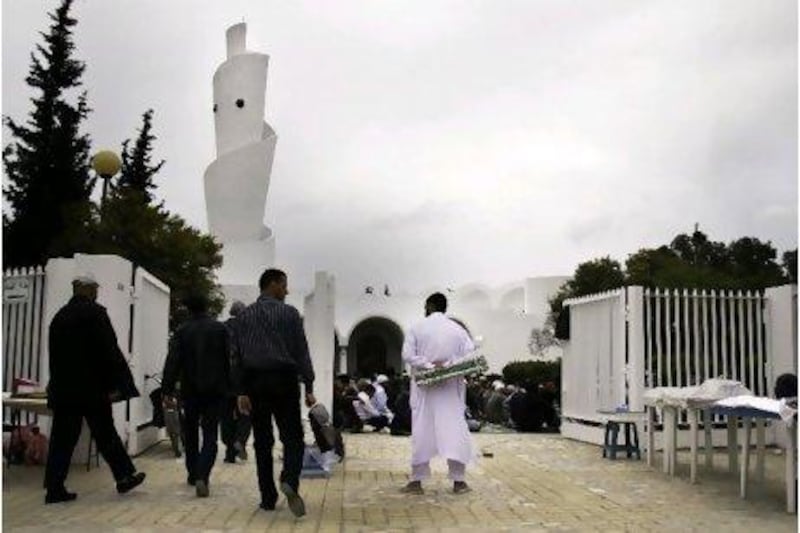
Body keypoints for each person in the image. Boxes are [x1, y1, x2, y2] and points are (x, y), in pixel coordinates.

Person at [44, 274, 146, 504]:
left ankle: (54, 487)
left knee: (62, 439)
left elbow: (55, 357)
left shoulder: (59, 317)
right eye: (95, 289)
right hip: (92, 390)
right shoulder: (96, 313)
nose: (96, 292)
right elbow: (108, 351)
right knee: (106, 434)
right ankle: (124, 476)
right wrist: (118, 385)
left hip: (64, 390)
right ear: (88, 290)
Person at [229, 268, 316, 517]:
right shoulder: (289, 314)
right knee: (292, 437)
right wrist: (308, 385)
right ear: (273, 284)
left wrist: (241, 391)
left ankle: (267, 497)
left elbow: (236, 357)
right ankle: (289, 479)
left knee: (262, 440)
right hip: (284, 379)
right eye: (284, 285)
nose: (286, 291)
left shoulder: (243, 317)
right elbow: (301, 351)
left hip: (254, 382)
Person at [400, 292, 476, 495]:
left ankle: (416, 481)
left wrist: (428, 365)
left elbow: (407, 355)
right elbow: (471, 354)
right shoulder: (458, 330)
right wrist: (449, 365)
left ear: (430, 306)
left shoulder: (416, 327)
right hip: (451, 389)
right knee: (454, 431)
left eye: (426, 306)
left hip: (425, 390)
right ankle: (459, 481)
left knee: (422, 431)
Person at [162, 293, 230, 498]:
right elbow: (230, 359)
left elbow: (173, 361)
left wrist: (167, 389)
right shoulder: (221, 329)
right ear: (207, 307)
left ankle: (193, 473)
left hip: (190, 390)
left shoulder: (182, 331)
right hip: (215, 390)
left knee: (190, 433)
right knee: (210, 434)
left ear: (189, 309)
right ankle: (203, 474)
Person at [221, 300, 252, 463]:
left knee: (226, 416)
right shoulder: (249, 330)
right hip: (244, 380)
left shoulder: (222, 328)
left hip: (225, 380)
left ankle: (229, 453)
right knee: (245, 414)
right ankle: (240, 440)